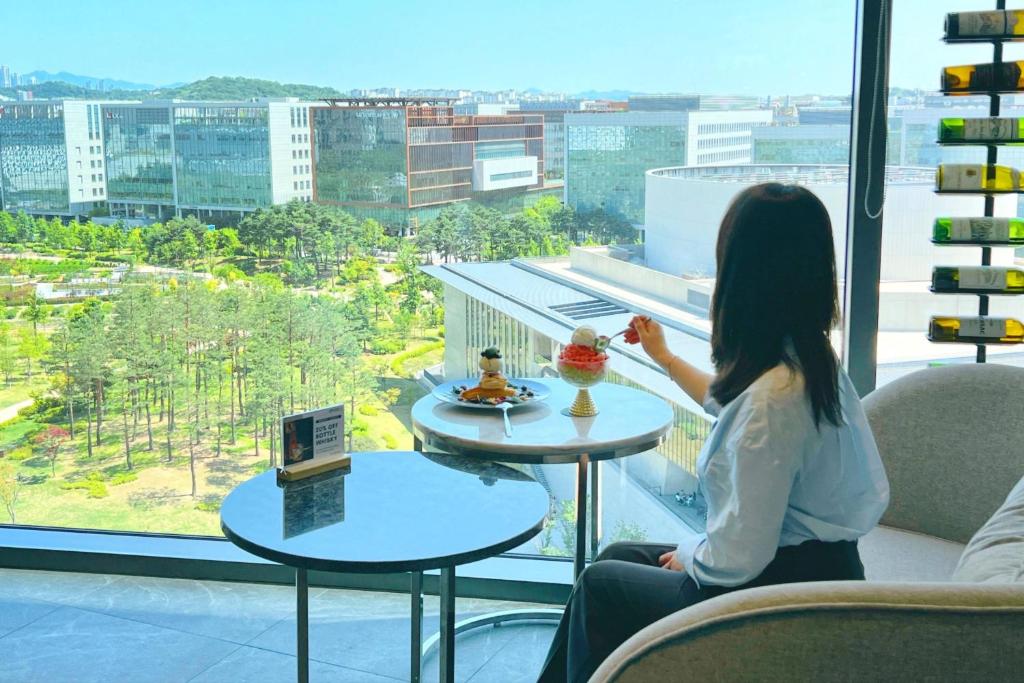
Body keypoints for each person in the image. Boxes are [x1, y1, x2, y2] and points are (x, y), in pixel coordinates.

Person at [537, 183, 890, 683]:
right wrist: (664, 357)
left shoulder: (772, 404)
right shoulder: (808, 361)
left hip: (781, 596)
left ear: (740, 279)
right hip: (822, 569)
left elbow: (736, 560)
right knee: (616, 559)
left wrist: (688, 555)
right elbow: (730, 403)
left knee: (600, 586)